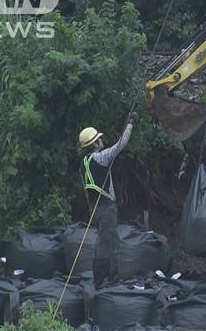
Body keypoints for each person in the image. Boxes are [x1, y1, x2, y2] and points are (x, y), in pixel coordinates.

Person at [78, 111, 138, 286]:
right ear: (95, 143)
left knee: (112, 240)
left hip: (95, 209)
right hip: (105, 208)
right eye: (99, 138)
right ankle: (101, 280)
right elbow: (121, 144)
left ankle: (113, 276)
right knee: (105, 243)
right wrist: (130, 123)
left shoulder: (83, 164)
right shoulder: (101, 157)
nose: (101, 140)